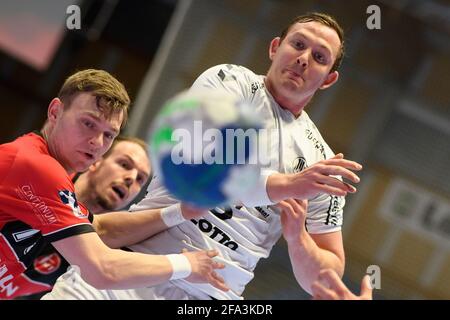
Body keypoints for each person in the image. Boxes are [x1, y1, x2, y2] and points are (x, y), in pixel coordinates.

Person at [44, 13, 363, 300]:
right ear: (275, 47)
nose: (303, 59)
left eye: (319, 57)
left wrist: (297, 239)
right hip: (134, 265)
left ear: (328, 79)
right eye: (298, 44)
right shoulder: (229, 83)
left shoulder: (320, 160)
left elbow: (325, 277)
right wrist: (289, 185)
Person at [0, 69, 228, 300]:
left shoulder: (49, 181)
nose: (97, 142)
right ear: (55, 111)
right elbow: (102, 268)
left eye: (109, 135)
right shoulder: (37, 167)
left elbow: (101, 229)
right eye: (88, 123)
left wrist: (180, 212)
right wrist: (186, 264)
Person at [11, 136, 152, 299]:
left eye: (140, 179)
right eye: (124, 165)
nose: (131, 178)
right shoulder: (36, 185)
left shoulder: (105, 253)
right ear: (96, 162)